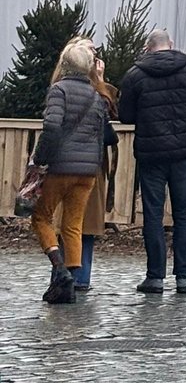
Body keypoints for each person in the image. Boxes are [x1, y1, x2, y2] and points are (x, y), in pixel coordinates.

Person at [117, 28, 186, 296]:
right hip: (182, 152)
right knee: (183, 214)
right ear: (171, 44)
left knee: (153, 213)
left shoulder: (135, 75)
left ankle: (155, 276)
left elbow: (126, 116)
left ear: (148, 47)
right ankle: (184, 277)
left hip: (151, 153)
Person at [31, 38, 116, 305]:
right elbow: (100, 134)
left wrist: (40, 159)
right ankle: (70, 281)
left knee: (41, 217)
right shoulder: (96, 95)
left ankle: (60, 269)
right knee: (74, 224)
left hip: (61, 166)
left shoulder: (59, 90)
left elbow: (52, 127)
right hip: (88, 171)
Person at [76, 47, 119, 293]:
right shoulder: (93, 93)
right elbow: (105, 111)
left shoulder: (60, 88)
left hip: (72, 161)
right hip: (88, 161)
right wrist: (101, 81)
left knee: (74, 222)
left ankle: (66, 276)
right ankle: (79, 277)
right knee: (82, 224)